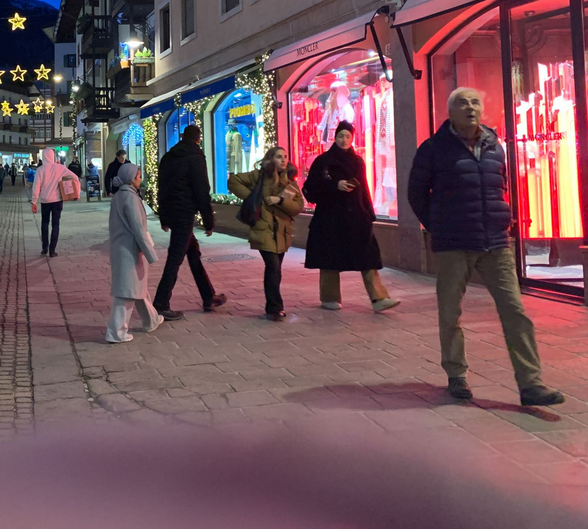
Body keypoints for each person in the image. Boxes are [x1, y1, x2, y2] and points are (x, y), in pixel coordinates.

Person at [408, 87, 565, 407]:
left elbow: (501, 185)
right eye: (462, 104)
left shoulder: (495, 146)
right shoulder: (434, 148)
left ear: (482, 109)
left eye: (475, 102)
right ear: (450, 113)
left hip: (495, 242)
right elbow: (416, 193)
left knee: (515, 311)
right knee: (450, 312)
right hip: (454, 243)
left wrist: (504, 220)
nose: (470, 108)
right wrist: (438, 226)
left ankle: (531, 383)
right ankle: (456, 374)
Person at [302, 121, 400, 312]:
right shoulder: (323, 161)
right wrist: (334, 186)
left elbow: (363, 188)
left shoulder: (358, 161)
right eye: (341, 136)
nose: (344, 140)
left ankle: (379, 298)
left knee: (367, 257)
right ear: (335, 137)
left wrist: (369, 214)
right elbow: (311, 188)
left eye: (348, 136)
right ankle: (329, 297)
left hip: (356, 216)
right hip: (330, 217)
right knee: (330, 258)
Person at [154, 125, 224, 321]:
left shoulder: (169, 157)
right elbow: (202, 189)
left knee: (193, 253)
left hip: (173, 211)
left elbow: (162, 188)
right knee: (175, 258)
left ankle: (208, 296)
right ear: (198, 139)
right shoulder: (195, 157)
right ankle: (160, 304)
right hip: (185, 213)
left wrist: (164, 216)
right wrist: (209, 220)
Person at [229, 147, 304, 322]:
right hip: (264, 229)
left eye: (285, 157)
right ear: (271, 159)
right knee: (273, 267)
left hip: (282, 232)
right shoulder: (259, 176)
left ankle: (274, 306)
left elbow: (298, 206)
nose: (283, 160)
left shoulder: (290, 182)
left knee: (275, 270)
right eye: (279, 157)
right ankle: (275, 308)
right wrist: (253, 198)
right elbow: (233, 181)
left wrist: (281, 200)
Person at [106, 163, 165, 343]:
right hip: (130, 249)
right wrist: (150, 252)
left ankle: (151, 320)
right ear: (132, 179)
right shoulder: (131, 198)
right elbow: (138, 228)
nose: (140, 179)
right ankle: (116, 332)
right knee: (127, 291)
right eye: (139, 176)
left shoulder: (119, 196)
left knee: (137, 287)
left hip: (121, 248)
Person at [31, 147, 79, 257]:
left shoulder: (40, 170)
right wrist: (75, 192)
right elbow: (75, 177)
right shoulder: (60, 168)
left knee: (44, 223)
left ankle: (44, 248)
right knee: (55, 224)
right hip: (57, 200)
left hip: (44, 201)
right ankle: (52, 250)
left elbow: (36, 186)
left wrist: (34, 201)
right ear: (53, 156)